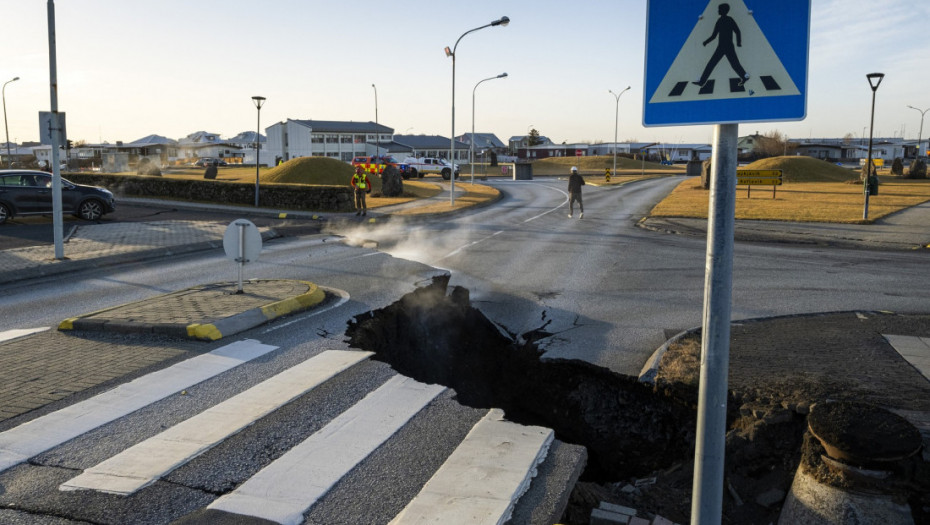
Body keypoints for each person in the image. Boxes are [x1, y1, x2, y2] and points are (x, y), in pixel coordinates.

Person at [693, 3, 749, 88]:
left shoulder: (729, 20)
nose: (718, 11)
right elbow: (714, 35)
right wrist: (706, 42)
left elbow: (737, 31)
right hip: (722, 47)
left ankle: (744, 76)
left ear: (724, 10)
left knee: (733, 64)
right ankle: (702, 82)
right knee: (713, 64)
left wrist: (739, 42)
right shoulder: (720, 21)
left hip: (728, 47)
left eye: (719, 9)